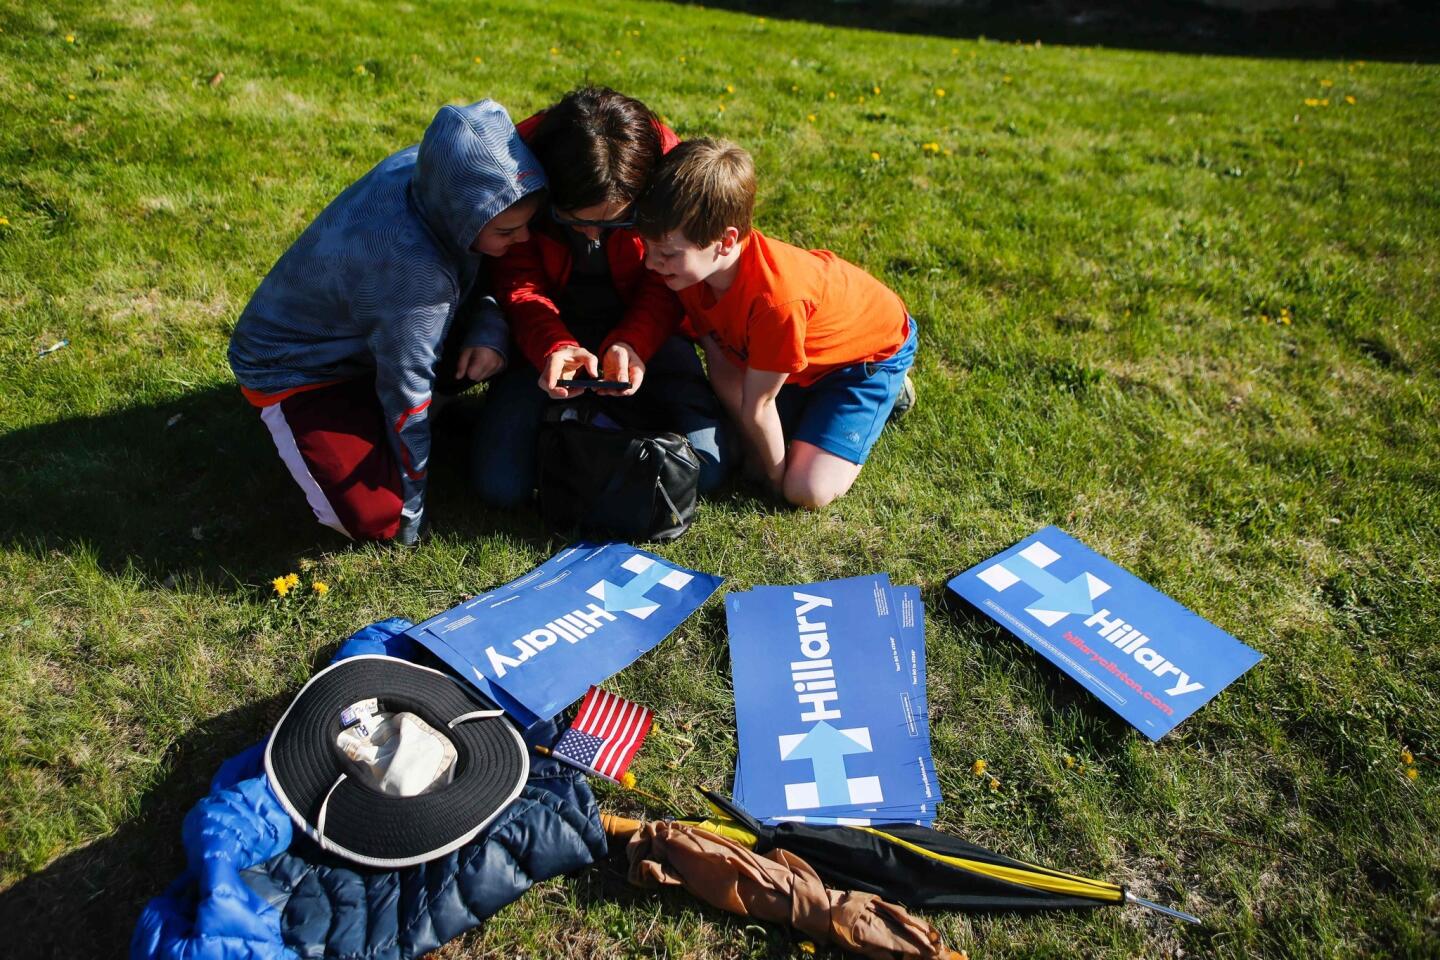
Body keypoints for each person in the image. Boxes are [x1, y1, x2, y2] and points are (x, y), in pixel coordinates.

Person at [228, 100, 545, 544]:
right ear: (461, 215)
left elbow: (490, 271)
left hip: (376, 333)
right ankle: (320, 425)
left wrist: (489, 327)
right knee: (378, 516)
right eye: (508, 232)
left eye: (525, 225)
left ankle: (385, 416)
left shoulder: (428, 170)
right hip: (298, 370)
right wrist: (410, 516)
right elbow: (406, 393)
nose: (524, 240)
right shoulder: (411, 274)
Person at [471, 86, 730, 508]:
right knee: (500, 488)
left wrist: (634, 343)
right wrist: (552, 346)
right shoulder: (519, 172)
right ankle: (582, 424)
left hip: (648, 330)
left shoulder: (669, 175)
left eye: (617, 222)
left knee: (709, 467)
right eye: (573, 221)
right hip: (546, 330)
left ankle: (582, 426)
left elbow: (668, 282)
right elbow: (517, 281)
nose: (592, 235)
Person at [634, 138, 917, 509]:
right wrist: (754, 447)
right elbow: (721, 364)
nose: (651, 263)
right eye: (648, 247)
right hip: (791, 358)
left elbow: (758, 404)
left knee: (804, 490)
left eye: (667, 253)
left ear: (725, 241)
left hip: (864, 359)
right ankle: (807, 399)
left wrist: (773, 474)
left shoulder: (775, 301)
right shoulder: (690, 275)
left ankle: (891, 392)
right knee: (742, 442)